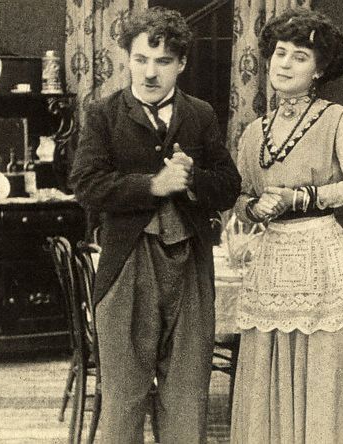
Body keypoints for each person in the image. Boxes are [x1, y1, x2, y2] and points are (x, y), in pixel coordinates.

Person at [69, 7, 241, 443]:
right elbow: (86, 185)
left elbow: (229, 186)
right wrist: (153, 185)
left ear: (181, 64)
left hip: (191, 265)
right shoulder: (103, 114)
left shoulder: (200, 114)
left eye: (163, 61)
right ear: (127, 58)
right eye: (141, 59)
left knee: (187, 394)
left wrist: (193, 178)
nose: (150, 72)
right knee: (123, 397)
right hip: (126, 265)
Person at [231, 8, 343, 443]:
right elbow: (239, 197)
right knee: (270, 363)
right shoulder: (253, 132)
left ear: (319, 69)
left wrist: (302, 197)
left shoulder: (340, 120)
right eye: (280, 53)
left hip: (322, 258)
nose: (284, 64)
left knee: (323, 365)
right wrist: (253, 208)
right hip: (272, 258)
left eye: (299, 57)